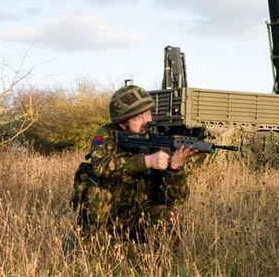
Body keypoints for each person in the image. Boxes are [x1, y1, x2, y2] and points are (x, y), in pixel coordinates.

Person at [71, 84, 198, 239]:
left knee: (170, 215)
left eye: (148, 114)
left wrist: (176, 168)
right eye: (138, 118)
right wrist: (147, 161)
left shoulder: (158, 140)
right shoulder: (106, 135)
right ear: (122, 123)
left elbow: (176, 199)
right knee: (95, 194)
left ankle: (163, 263)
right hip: (107, 216)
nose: (146, 121)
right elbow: (101, 166)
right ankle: (89, 251)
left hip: (140, 216)